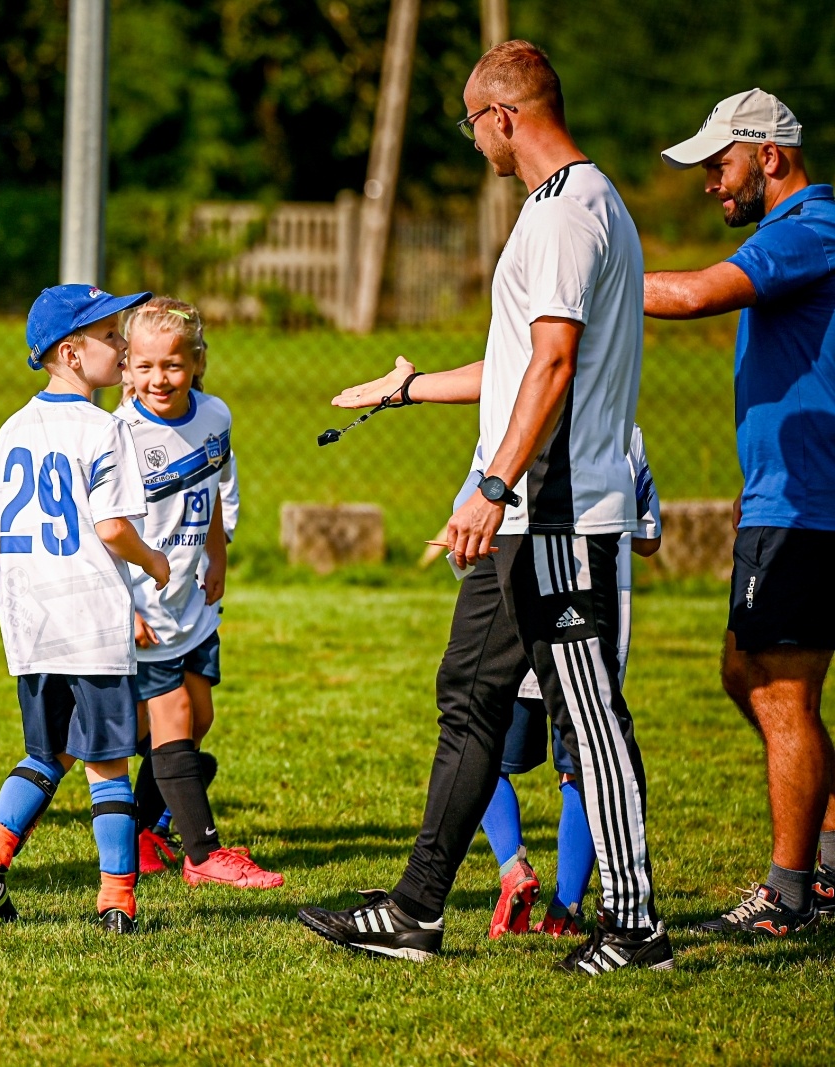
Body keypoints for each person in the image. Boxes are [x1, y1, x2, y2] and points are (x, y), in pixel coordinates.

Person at [295, 41, 673, 975]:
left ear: (503, 116)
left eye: (473, 126)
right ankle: (416, 910)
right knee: (468, 698)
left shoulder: (568, 212)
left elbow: (555, 362)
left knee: (591, 722)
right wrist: (408, 386)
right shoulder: (565, 207)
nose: (475, 144)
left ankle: (636, 929)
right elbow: (516, 365)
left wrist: (494, 485)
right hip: (522, 520)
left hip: (557, 517)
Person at [644, 89, 835, 934]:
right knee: (746, 674)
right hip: (781, 497)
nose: (710, 183)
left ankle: (788, 895)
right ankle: (829, 862)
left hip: (808, 507)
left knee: (783, 692)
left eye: (719, 165)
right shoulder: (796, 232)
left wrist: (590, 282)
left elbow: (694, 295)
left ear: (768, 155)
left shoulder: (808, 228)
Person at [0, 284, 167, 934]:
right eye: (110, 336)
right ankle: (117, 902)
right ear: (71, 353)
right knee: (109, 763)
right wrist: (153, 562)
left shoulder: (13, 426)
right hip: (90, 622)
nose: (122, 345)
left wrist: (17, 594)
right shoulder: (105, 428)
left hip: (33, 623)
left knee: (47, 753)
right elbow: (112, 528)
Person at [117, 297, 282, 890]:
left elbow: (211, 489)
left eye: (172, 365)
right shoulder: (121, 434)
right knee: (176, 721)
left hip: (192, 597)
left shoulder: (214, 416)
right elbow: (105, 529)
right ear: (126, 366)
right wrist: (125, 607)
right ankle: (201, 852)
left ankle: (144, 823)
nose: (158, 379)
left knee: (199, 718)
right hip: (144, 602)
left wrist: (218, 554)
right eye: (145, 366)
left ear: (196, 363)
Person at [473, 425, 661, 939]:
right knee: (584, 768)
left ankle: (513, 867)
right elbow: (649, 539)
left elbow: (472, 512)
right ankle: (566, 908)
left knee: (481, 748)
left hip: (522, 627)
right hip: (594, 625)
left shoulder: (504, 423)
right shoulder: (623, 430)